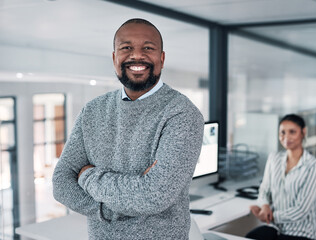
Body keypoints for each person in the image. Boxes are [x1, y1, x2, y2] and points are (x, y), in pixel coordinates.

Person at [52, 18, 204, 240]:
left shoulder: (182, 114)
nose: (137, 55)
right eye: (126, 48)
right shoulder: (92, 111)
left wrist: (87, 176)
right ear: (114, 58)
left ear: (161, 59)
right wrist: (110, 209)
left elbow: (153, 196)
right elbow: (61, 182)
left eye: (148, 48)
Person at [246, 114, 316, 240]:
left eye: (292, 132)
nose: (286, 137)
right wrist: (264, 206)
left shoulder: (313, 166)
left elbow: (301, 210)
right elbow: (264, 190)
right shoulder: (274, 158)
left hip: (301, 232)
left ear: (303, 132)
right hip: (275, 228)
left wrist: (269, 216)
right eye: (282, 132)